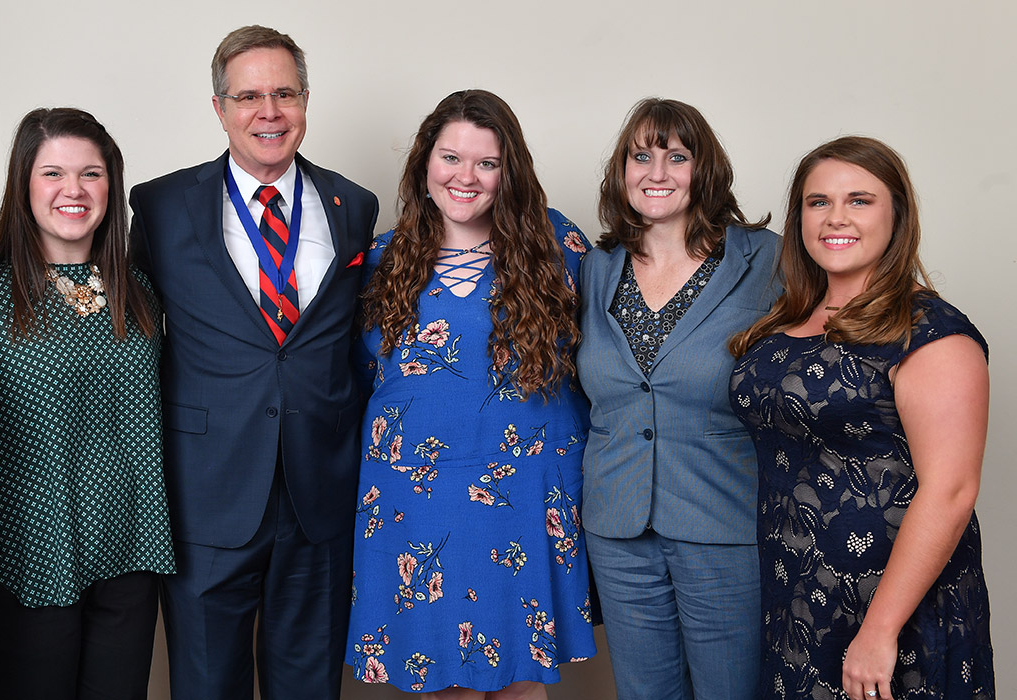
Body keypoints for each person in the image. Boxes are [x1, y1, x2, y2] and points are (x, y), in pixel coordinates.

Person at [128, 25, 379, 700]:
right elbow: (136, 337)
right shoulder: (158, 206)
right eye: (248, 97)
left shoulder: (353, 206)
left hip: (317, 491)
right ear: (220, 109)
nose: (269, 112)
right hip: (207, 493)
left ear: (304, 101)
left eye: (284, 93)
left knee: (309, 684)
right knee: (208, 685)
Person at [347, 89, 598, 698]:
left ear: (509, 173)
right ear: (423, 163)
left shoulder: (559, 249)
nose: (466, 177)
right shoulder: (381, 257)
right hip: (414, 496)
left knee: (519, 676)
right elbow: (356, 378)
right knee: (440, 680)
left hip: (527, 490)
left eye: (486, 163)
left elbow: (602, 370)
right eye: (450, 158)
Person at [729, 136, 994, 700]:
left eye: (860, 200)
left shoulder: (930, 332)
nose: (835, 218)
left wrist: (880, 630)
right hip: (795, 598)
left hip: (895, 609)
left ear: (897, 214)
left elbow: (951, 490)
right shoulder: (789, 318)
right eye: (817, 201)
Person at [0, 107, 174, 700]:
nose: (73, 191)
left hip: (131, 546)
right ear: (23, 185)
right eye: (53, 173)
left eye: (91, 174)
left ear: (112, 186)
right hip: (29, 557)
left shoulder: (142, 290)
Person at [576, 97, 778, 700]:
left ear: (704, 169)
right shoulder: (596, 267)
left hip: (721, 516)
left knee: (730, 690)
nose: (657, 172)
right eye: (642, 155)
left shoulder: (765, 260)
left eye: (677, 156)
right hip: (616, 524)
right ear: (622, 171)